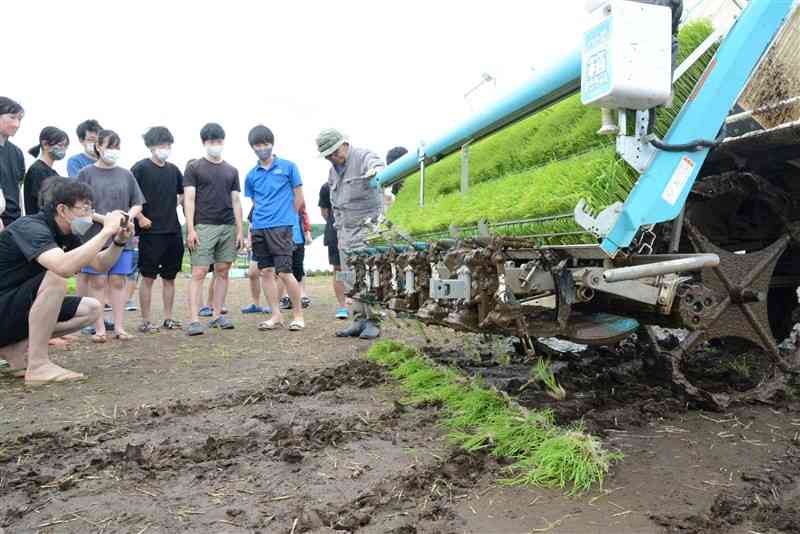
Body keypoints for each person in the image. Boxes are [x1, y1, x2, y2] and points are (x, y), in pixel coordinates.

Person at [0, 177, 131, 385]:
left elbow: (99, 264)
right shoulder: (30, 227)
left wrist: (118, 241)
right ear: (62, 210)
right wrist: (106, 229)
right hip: (5, 306)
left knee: (91, 308)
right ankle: (38, 366)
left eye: (91, 209)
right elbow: (63, 267)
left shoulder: (65, 234)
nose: (89, 216)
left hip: (12, 310)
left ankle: (14, 349)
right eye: (84, 209)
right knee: (57, 275)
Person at [77, 130, 146, 342]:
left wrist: (126, 218)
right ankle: (98, 328)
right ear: (98, 146)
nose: (113, 151)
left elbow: (137, 203)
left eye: (117, 147)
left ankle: (119, 326)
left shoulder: (126, 174)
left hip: (122, 235)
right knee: (97, 281)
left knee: (118, 280)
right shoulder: (86, 173)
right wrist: (105, 220)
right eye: (109, 146)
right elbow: (80, 206)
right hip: (95, 235)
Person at [317, 129, 384, 339]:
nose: (332, 158)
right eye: (328, 156)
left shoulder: (363, 156)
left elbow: (378, 165)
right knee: (351, 279)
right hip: (345, 232)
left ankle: (373, 321)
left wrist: (376, 171)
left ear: (344, 143)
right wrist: (338, 233)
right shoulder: (332, 172)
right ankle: (358, 320)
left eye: (334, 152)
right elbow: (335, 206)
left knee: (368, 277)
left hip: (367, 229)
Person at [244, 125, 305, 331]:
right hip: (260, 227)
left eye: (266, 143)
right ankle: (275, 315)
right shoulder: (251, 175)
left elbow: (299, 197)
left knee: (285, 273)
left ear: (272, 144)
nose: (263, 148)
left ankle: (298, 316)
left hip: (282, 227)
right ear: (253, 147)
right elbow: (255, 200)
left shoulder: (288, 167)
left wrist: (289, 218)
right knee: (266, 272)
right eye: (258, 145)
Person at [184, 123, 243, 336]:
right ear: (204, 143)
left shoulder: (232, 170)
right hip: (203, 225)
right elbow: (189, 200)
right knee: (199, 271)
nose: (215, 145)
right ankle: (193, 319)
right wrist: (190, 229)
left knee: (223, 271)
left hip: (227, 225)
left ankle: (217, 314)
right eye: (211, 142)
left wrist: (239, 230)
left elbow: (236, 201)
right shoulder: (194, 168)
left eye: (218, 141)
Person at [131, 126, 185, 333]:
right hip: (150, 231)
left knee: (170, 277)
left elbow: (182, 194)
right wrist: (141, 217)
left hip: (172, 230)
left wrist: (174, 203)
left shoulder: (173, 170)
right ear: (151, 146)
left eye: (169, 145)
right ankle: (145, 320)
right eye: (162, 145)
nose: (166, 149)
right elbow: (131, 195)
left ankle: (168, 318)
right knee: (148, 277)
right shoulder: (140, 168)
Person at [319, 182, 348, 319]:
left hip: (357, 228)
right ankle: (343, 305)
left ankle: (362, 303)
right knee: (338, 268)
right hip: (335, 231)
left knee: (360, 266)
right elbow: (324, 212)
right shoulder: (326, 187)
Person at [24, 127, 69, 216]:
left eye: (65, 146)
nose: (63, 149)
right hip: (39, 224)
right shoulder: (37, 170)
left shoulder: (54, 173)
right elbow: (42, 203)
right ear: (45, 144)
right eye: (60, 145)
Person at [278, 207, 312, 310]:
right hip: (282, 238)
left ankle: (302, 294)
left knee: (298, 267)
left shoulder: (298, 199)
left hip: (298, 238)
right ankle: (285, 297)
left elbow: (304, 215)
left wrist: (307, 233)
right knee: (284, 269)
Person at [0, 97, 25, 229]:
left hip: (14, 221)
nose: (17, 124)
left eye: (19, 119)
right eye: (12, 117)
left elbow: (18, 187)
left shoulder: (17, 153)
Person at [241, 207, 271, 314]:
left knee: (272, 274)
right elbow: (251, 223)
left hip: (273, 238)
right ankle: (256, 304)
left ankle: (273, 305)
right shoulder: (256, 205)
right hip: (258, 241)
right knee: (252, 273)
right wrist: (249, 240)